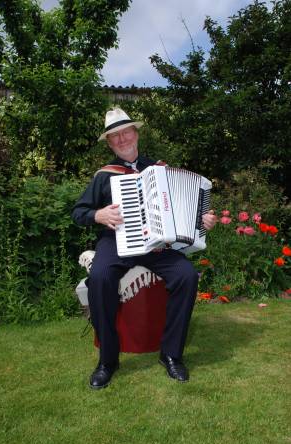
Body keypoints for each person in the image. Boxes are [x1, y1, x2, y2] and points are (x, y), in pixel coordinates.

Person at [72, 107, 217, 389]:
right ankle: (108, 360)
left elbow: (182, 208)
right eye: (115, 136)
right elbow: (79, 212)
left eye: (126, 132)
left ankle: (171, 354)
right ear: (110, 143)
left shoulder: (160, 169)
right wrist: (98, 215)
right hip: (116, 241)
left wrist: (203, 220)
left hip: (157, 244)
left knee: (186, 276)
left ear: (136, 134)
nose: (122, 139)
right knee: (99, 278)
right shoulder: (104, 175)